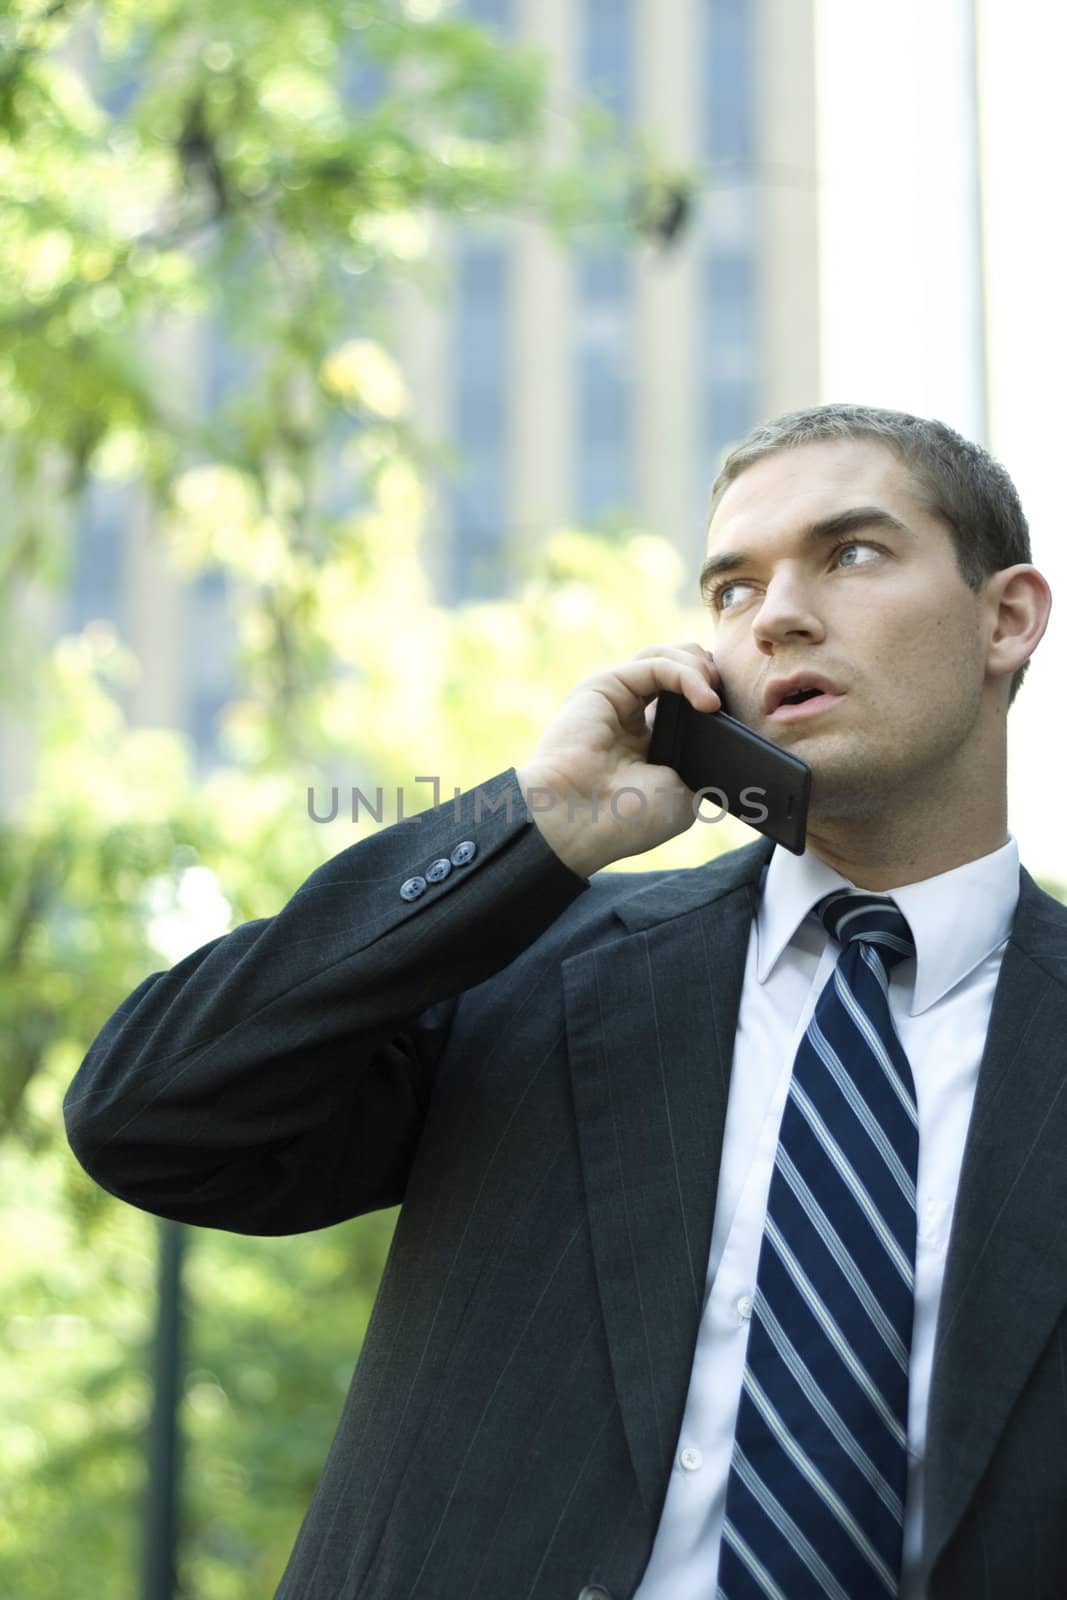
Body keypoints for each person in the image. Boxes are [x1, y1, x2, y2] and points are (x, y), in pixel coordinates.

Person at [64, 403, 1062, 1600]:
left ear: (1005, 617)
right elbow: (145, 1119)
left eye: (849, 553)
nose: (778, 612)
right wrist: (530, 825)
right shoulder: (534, 966)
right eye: (731, 589)